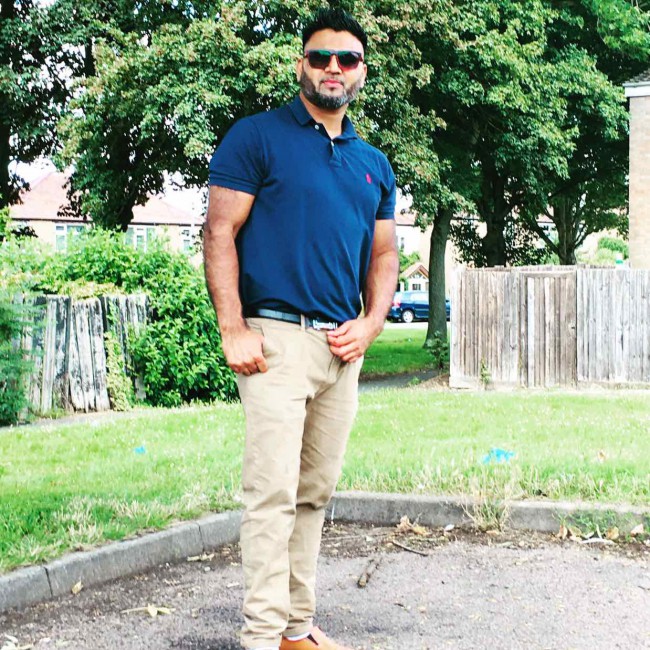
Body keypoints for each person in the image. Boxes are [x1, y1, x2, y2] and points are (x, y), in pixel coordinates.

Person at [204, 8, 399, 650]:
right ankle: (262, 637)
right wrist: (233, 327)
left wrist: (371, 325)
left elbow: (384, 254)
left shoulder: (373, 162)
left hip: (342, 349)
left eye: (347, 59)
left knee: (314, 494)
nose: (333, 68)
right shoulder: (257, 137)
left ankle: (294, 628)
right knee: (272, 495)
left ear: (362, 71)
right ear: (301, 66)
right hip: (276, 342)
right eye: (321, 57)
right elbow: (220, 231)